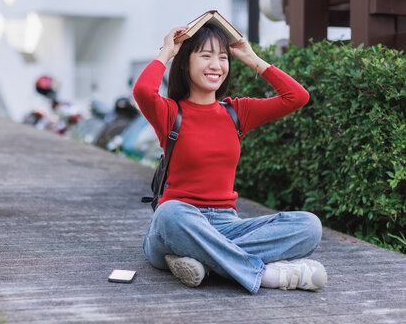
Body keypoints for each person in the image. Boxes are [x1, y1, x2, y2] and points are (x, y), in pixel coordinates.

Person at [132, 23, 327, 294]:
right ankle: (264, 274)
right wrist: (167, 52)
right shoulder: (169, 112)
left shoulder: (237, 112)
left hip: (227, 224)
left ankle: (207, 262)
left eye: (222, 57)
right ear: (185, 63)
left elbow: (297, 97)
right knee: (168, 213)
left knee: (309, 226)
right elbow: (142, 91)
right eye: (205, 55)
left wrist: (251, 57)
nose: (216, 65)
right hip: (181, 223)